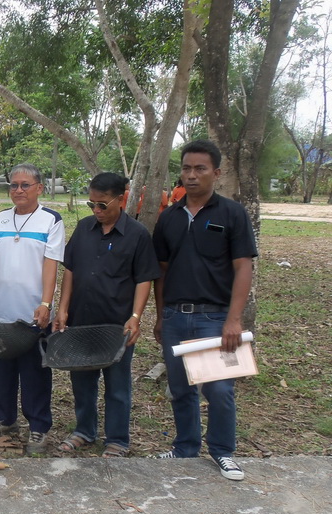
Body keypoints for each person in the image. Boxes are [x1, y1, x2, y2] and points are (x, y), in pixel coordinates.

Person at [152, 139, 257, 481]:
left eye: (200, 168)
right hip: (175, 317)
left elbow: (243, 267)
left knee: (219, 389)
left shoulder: (231, 213)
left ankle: (223, 451)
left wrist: (234, 319)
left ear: (217, 173)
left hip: (214, 317)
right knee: (181, 388)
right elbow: (161, 271)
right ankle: (185, 447)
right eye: (186, 168)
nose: (192, 175)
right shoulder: (169, 217)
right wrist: (161, 315)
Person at [53, 172, 160, 458]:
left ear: (121, 199)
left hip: (117, 324)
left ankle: (118, 439)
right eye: (92, 204)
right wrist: (63, 308)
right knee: (82, 381)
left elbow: (144, 279)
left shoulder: (137, 234)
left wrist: (135, 316)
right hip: (81, 320)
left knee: (117, 385)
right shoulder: (84, 228)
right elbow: (70, 270)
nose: (97, 210)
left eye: (102, 204)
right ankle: (84, 430)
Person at [0, 163, 65, 455]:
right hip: (3, 312)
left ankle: (38, 426)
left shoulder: (51, 220)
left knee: (35, 373)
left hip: (34, 313)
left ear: (39, 188)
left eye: (25, 185)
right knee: (4, 369)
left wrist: (45, 303)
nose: (18, 190)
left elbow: (51, 264)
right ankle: (6, 419)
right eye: (14, 185)